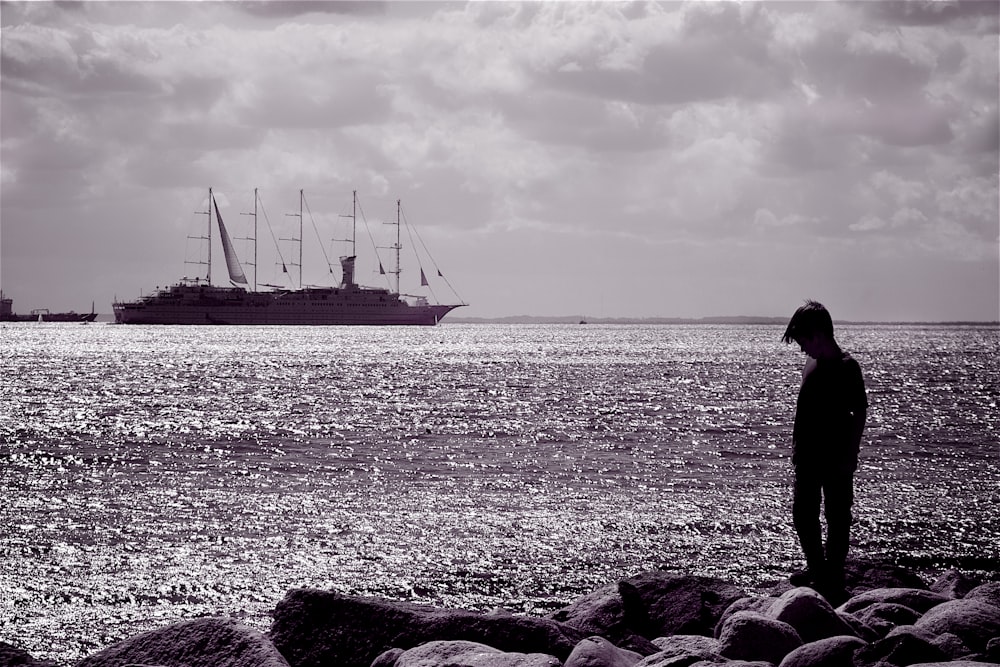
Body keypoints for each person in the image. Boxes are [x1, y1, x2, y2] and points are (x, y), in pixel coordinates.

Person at [782, 300, 867, 600]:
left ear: (819, 334)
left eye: (804, 341)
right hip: (807, 456)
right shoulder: (811, 363)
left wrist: (851, 454)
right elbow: (804, 411)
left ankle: (833, 575)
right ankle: (818, 569)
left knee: (837, 515)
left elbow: (859, 412)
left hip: (836, 456)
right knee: (803, 515)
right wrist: (796, 448)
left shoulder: (847, 367)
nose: (803, 349)